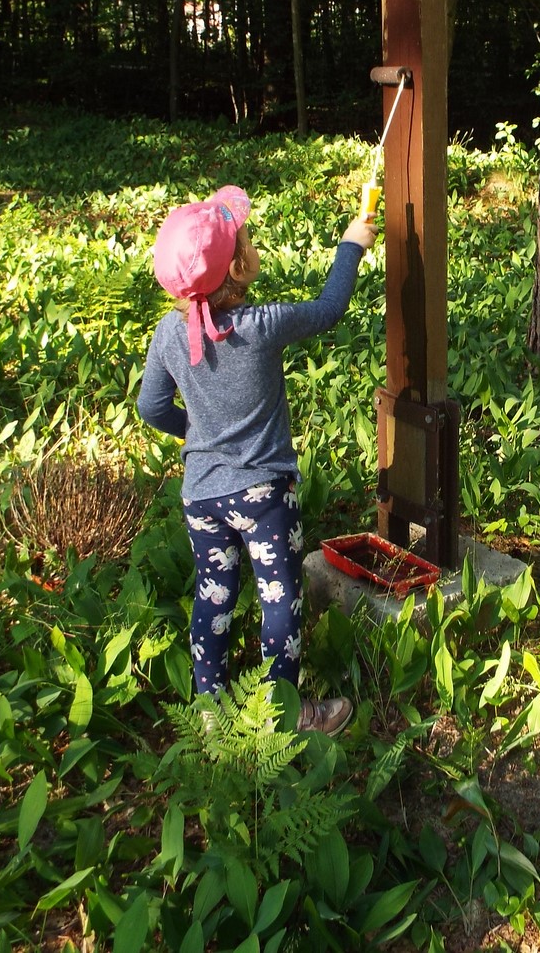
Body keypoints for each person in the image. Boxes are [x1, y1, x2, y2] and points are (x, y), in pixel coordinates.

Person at [137, 184, 377, 735]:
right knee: (280, 602)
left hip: (202, 498)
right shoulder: (260, 326)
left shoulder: (168, 335)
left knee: (213, 598)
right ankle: (284, 715)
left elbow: (151, 407)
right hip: (264, 498)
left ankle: (211, 713)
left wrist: (197, 432)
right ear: (241, 265)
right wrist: (352, 243)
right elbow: (328, 308)